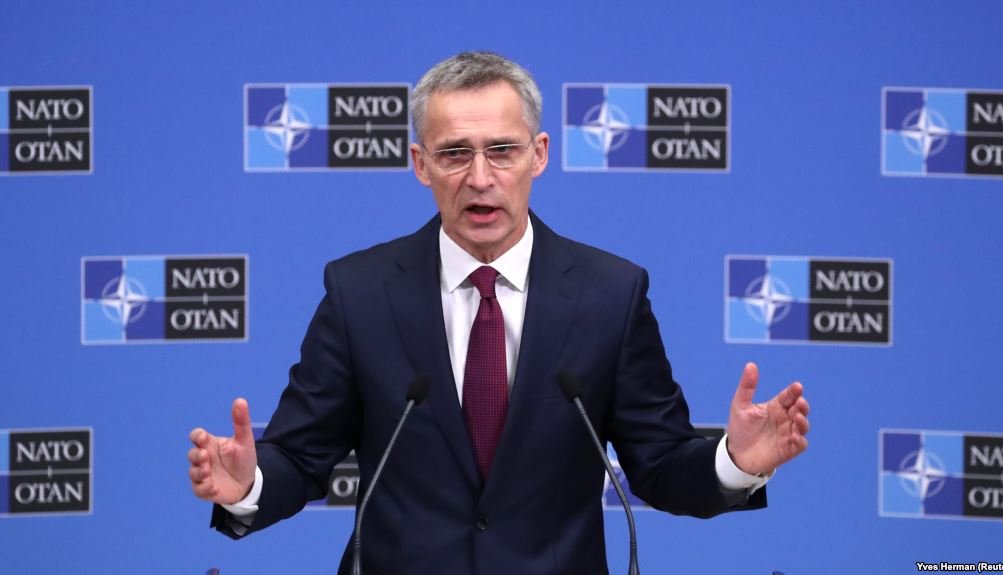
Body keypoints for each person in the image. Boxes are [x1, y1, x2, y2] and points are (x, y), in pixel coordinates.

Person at [188, 51, 810, 575]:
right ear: (420, 164)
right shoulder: (361, 292)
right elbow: (300, 458)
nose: (480, 177)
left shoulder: (609, 294)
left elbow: (661, 464)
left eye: (502, 151)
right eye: (455, 153)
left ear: (539, 154)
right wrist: (247, 486)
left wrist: (734, 463)